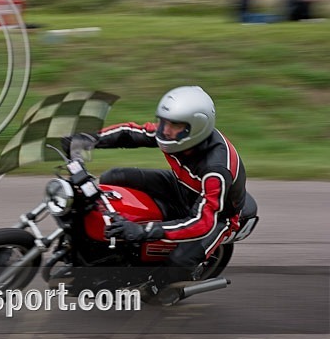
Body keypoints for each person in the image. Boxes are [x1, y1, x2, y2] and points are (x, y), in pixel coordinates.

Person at [61, 86, 249, 305]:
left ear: (195, 127)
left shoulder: (216, 169)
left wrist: (143, 231)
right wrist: (87, 140)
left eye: (174, 125)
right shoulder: (173, 135)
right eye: (163, 122)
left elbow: (203, 223)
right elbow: (131, 133)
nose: (165, 130)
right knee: (114, 177)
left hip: (218, 215)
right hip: (183, 186)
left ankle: (158, 288)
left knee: (178, 262)